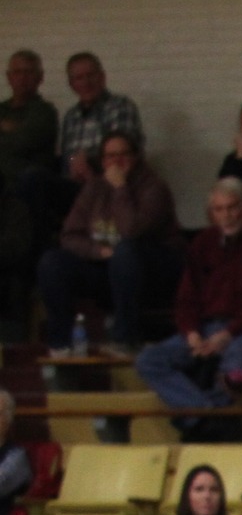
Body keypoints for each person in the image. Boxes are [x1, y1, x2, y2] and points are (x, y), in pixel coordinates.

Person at [133, 176, 242, 429]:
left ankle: (195, 416)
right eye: (219, 209)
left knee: (237, 372)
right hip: (203, 327)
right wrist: (190, 332)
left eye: (233, 207)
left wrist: (227, 334)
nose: (227, 216)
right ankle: (207, 413)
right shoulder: (203, 242)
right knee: (148, 360)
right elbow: (186, 298)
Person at [36, 130, 181, 355]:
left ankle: (125, 339)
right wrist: (98, 252)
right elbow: (69, 236)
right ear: (102, 161)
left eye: (123, 155)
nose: (116, 161)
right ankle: (60, 344)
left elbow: (131, 231)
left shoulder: (154, 187)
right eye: (110, 156)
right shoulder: (94, 188)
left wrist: (120, 189)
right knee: (52, 262)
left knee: (125, 251)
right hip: (108, 265)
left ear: (136, 157)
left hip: (151, 271)